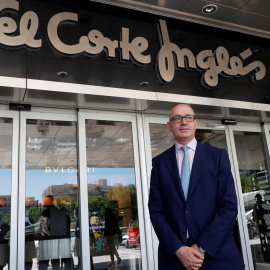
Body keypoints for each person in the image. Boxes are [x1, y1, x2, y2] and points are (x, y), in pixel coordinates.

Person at [148, 104, 245, 270]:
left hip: (218, 256)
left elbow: (229, 207)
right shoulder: (159, 163)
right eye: (177, 118)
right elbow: (156, 211)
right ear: (169, 126)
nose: (183, 122)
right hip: (175, 260)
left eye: (188, 117)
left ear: (195, 123)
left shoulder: (218, 156)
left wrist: (200, 247)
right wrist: (178, 249)